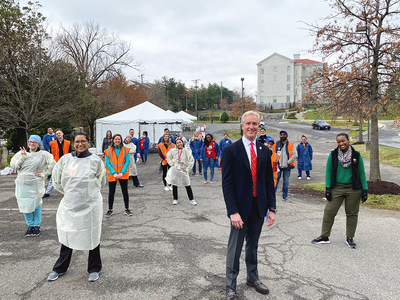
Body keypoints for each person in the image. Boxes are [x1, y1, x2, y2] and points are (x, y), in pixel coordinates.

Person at [221, 111, 276, 299]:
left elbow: (269, 182)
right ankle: (230, 286)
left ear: (259, 126)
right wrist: (233, 211)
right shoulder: (230, 151)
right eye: (248, 124)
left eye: (255, 124)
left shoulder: (264, 151)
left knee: (252, 246)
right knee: (234, 249)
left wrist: (272, 209)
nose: (251, 127)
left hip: (258, 208)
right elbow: (227, 184)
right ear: (242, 125)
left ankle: (252, 277)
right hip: (240, 210)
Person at [47, 131, 106, 282]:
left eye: (83, 141)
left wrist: (88, 196)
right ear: (73, 143)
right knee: (68, 235)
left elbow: (101, 181)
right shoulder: (66, 159)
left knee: (92, 235)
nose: (80, 144)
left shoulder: (95, 161)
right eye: (77, 141)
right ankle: (59, 268)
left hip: (91, 206)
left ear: (88, 142)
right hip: (70, 205)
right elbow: (57, 179)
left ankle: (94, 268)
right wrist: (70, 194)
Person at [312, 133, 368, 249]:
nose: (341, 143)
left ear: (348, 140)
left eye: (343, 141)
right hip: (336, 187)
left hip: (353, 189)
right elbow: (328, 172)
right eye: (339, 142)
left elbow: (362, 173)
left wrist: (365, 190)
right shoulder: (333, 155)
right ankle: (325, 236)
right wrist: (328, 188)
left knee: (352, 213)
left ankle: (350, 238)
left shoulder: (356, 155)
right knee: (329, 211)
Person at [10, 135, 55, 237]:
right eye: (30, 141)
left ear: (38, 144)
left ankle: (37, 225)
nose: (32, 144)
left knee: (37, 204)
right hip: (23, 184)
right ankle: (30, 225)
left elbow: (53, 163)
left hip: (36, 184)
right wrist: (23, 157)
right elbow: (14, 166)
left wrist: (45, 174)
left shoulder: (43, 154)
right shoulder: (20, 154)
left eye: (34, 142)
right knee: (26, 204)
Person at [104, 134, 132, 217]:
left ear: (121, 140)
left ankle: (127, 209)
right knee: (111, 192)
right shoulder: (108, 151)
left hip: (122, 174)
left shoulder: (125, 150)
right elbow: (107, 164)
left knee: (125, 192)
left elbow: (127, 162)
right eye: (115, 139)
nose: (117, 141)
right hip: (113, 175)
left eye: (119, 139)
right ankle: (110, 209)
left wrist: (121, 173)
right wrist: (114, 173)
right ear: (113, 140)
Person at [165, 138, 196, 205]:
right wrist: (171, 163)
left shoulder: (186, 151)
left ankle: (192, 199)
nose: (179, 144)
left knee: (187, 184)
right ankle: (175, 199)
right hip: (175, 169)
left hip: (183, 169)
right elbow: (168, 157)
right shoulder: (173, 151)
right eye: (177, 143)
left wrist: (187, 169)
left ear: (183, 143)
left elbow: (191, 160)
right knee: (175, 184)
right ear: (176, 144)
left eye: (180, 142)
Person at [43, 129, 71, 198]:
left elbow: (70, 153)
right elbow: (51, 154)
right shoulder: (52, 143)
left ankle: (68, 192)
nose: (58, 135)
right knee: (53, 177)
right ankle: (47, 192)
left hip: (66, 161)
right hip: (56, 162)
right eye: (57, 134)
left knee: (67, 177)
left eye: (59, 133)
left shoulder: (68, 143)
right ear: (55, 135)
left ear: (62, 133)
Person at [273, 130, 297, 203]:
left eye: (284, 134)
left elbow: (295, 154)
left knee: (286, 182)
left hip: (287, 167)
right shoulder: (276, 144)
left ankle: (285, 196)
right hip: (278, 166)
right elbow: (273, 154)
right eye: (281, 135)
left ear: (287, 136)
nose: (282, 136)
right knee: (275, 182)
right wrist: (277, 163)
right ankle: (272, 196)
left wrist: (288, 162)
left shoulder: (291, 144)